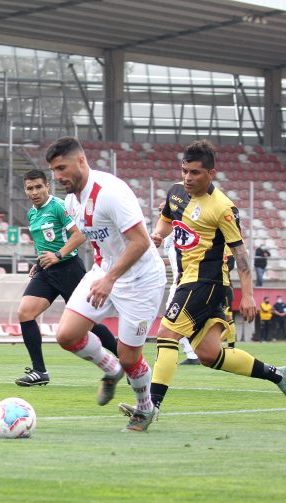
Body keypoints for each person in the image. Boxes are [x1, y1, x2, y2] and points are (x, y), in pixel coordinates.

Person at [119, 139, 286, 426]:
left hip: (206, 281)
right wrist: (158, 235)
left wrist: (248, 295)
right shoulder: (175, 194)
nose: (187, 178)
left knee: (167, 335)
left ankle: (150, 407)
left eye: (195, 173)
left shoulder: (222, 208)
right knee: (209, 354)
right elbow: (166, 220)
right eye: (184, 171)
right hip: (190, 280)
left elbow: (241, 253)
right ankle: (278, 376)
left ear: (211, 173)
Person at [46, 136, 166, 432]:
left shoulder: (111, 192)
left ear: (81, 161)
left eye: (62, 168)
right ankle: (109, 369)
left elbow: (140, 241)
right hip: (106, 273)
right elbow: (94, 236)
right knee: (67, 335)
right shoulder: (73, 200)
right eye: (54, 171)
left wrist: (110, 279)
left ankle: (144, 408)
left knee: (130, 357)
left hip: (140, 280)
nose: (58, 177)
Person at [14, 169, 120, 387]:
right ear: (25, 190)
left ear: (47, 187)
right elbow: (44, 242)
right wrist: (39, 262)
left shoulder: (59, 206)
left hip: (68, 268)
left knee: (86, 323)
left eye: (38, 187)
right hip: (47, 271)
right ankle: (39, 371)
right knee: (25, 313)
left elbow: (80, 234)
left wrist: (58, 255)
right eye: (30, 188)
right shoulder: (32, 213)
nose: (34, 192)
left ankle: (128, 359)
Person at [160, 206, 200, 366]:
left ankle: (186, 354)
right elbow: (174, 257)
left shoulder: (182, 231)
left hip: (184, 281)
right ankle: (192, 354)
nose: (160, 213)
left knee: (171, 318)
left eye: (163, 209)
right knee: (176, 318)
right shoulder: (168, 236)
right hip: (178, 280)